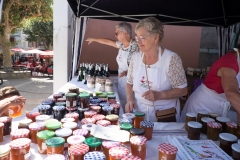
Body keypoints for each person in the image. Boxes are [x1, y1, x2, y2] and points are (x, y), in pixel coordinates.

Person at [125, 17, 188, 122]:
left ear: (155, 38)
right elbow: (129, 83)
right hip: (139, 112)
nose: (138, 42)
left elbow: (183, 90)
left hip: (164, 115)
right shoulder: (135, 58)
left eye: (142, 38)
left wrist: (160, 95)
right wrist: (129, 99)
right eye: (137, 38)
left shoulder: (171, 59)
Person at [86, 22, 139, 110]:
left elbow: (140, 65)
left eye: (116, 33)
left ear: (125, 33)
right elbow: (108, 41)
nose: (115, 35)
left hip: (132, 85)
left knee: (131, 108)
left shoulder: (136, 47)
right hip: (121, 82)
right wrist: (94, 39)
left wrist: (127, 72)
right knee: (121, 106)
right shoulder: (122, 45)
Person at [180, 44, 240, 122]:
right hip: (202, 107)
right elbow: (231, 93)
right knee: (195, 131)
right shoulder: (228, 63)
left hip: (216, 109)